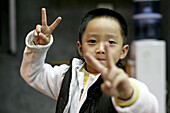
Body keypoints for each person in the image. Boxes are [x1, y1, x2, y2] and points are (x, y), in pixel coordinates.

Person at [20, 8, 158, 113]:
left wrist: (128, 94)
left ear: (123, 51)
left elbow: (150, 108)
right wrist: (38, 46)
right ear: (80, 48)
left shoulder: (119, 86)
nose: (101, 49)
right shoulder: (65, 76)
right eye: (92, 41)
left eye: (110, 42)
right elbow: (32, 74)